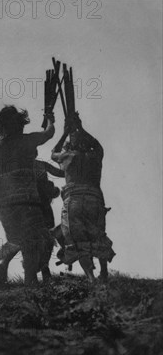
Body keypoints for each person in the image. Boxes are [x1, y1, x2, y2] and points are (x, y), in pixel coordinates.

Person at [0, 105, 55, 284]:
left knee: (19, 240)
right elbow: (49, 133)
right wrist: (50, 120)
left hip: (6, 207)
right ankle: (30, 281)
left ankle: (5, 268)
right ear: (18, 124)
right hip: (27, 202)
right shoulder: (27, 140)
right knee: (35, 241)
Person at [51, 112, 114, 281]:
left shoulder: (68, 156)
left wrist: (65, 132)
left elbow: (53, 152)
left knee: (77, 241)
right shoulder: (95, 156)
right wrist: (80, 127)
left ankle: (92, 279)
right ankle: (104, 272)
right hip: (95, 200)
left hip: (74, 201)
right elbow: (98, 145)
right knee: (98, 235)